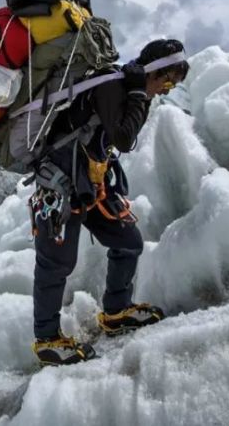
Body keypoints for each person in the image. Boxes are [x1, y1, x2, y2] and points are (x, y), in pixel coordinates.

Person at [30, 38, 190, 366]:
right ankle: (47, 341)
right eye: (168, 80)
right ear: (154, 71)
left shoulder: (129, 88)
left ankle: (116, 312)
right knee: (55, 263)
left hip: (90, 185)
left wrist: (138, 95)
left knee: (129, 242)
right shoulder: (115, 87)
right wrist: (135, 95)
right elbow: (123, 138)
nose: (168, 89)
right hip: (58, 185)